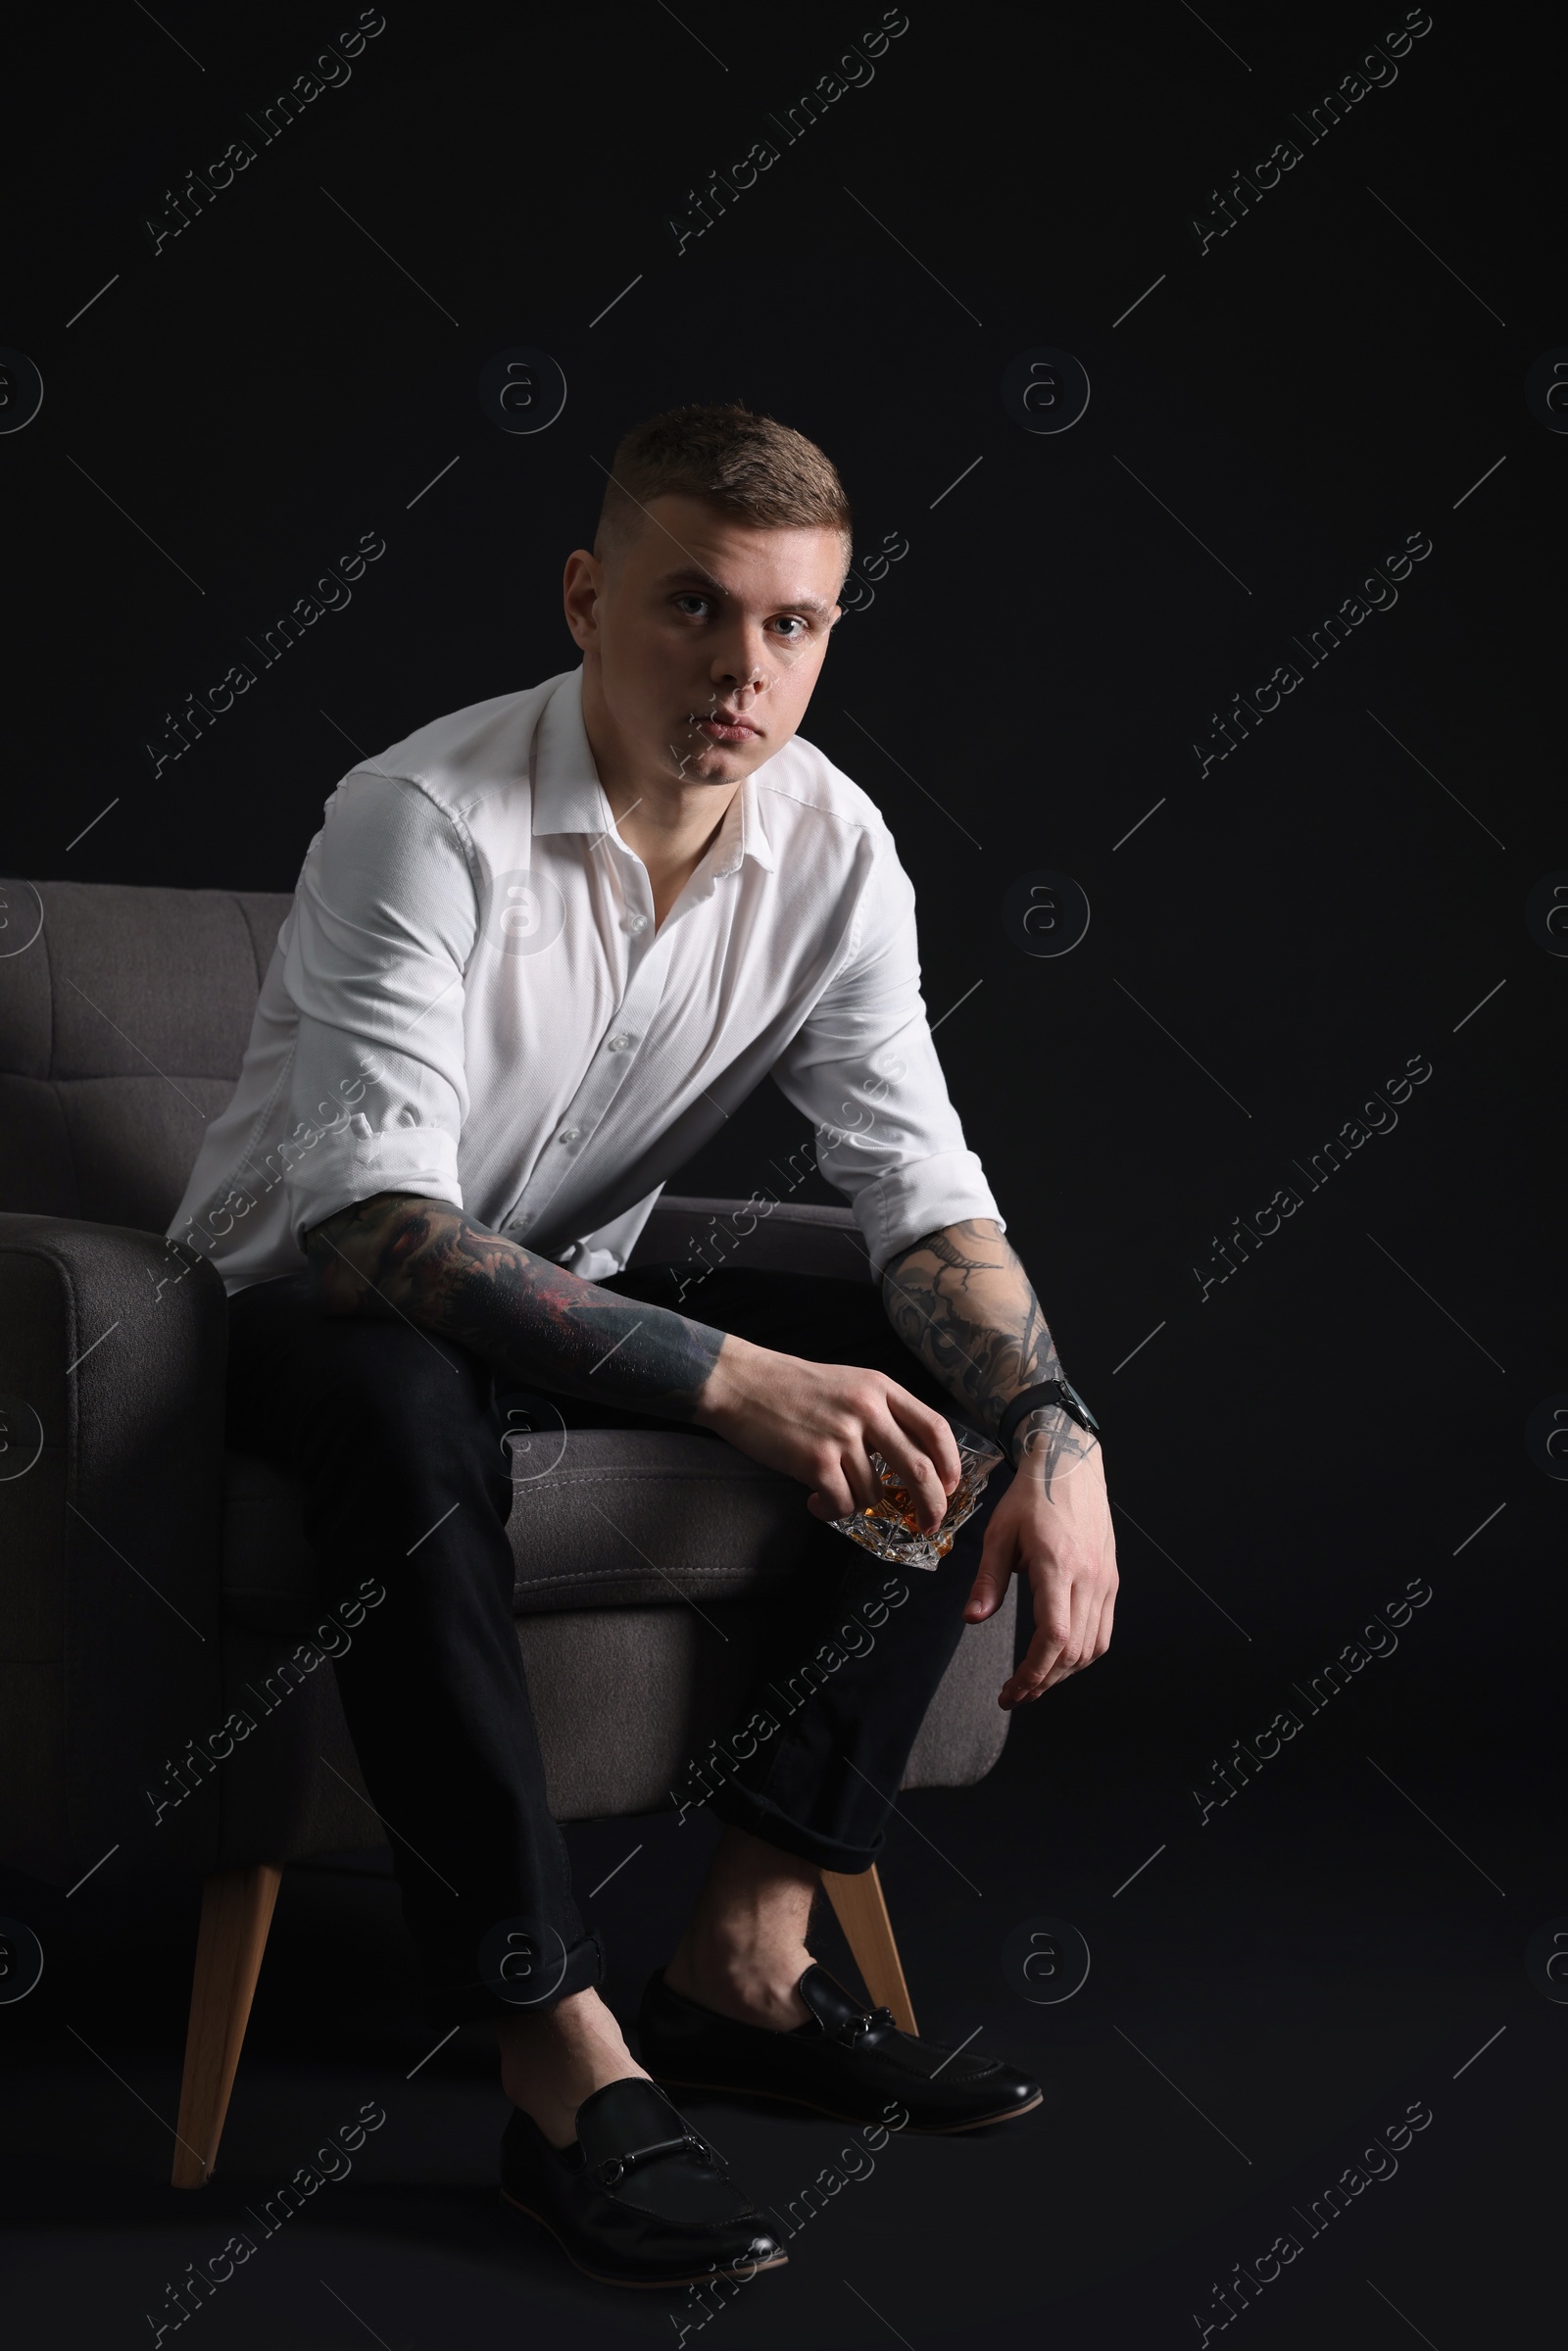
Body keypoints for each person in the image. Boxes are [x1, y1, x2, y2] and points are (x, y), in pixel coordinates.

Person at [172, 402, 1118, 2289]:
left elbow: (923, 1196)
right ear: (592, 596)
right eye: (698, 608)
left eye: (795, 627)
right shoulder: (419, 819)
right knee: (400, 1392)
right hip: (282, 1316)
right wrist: (736, 1385)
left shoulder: (837, 848)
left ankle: (744, 1966)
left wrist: (1060, 1427)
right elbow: (374, 1232)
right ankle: (552, 2050)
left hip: (549, 1293)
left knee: (945, 1368)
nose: (745, 672)